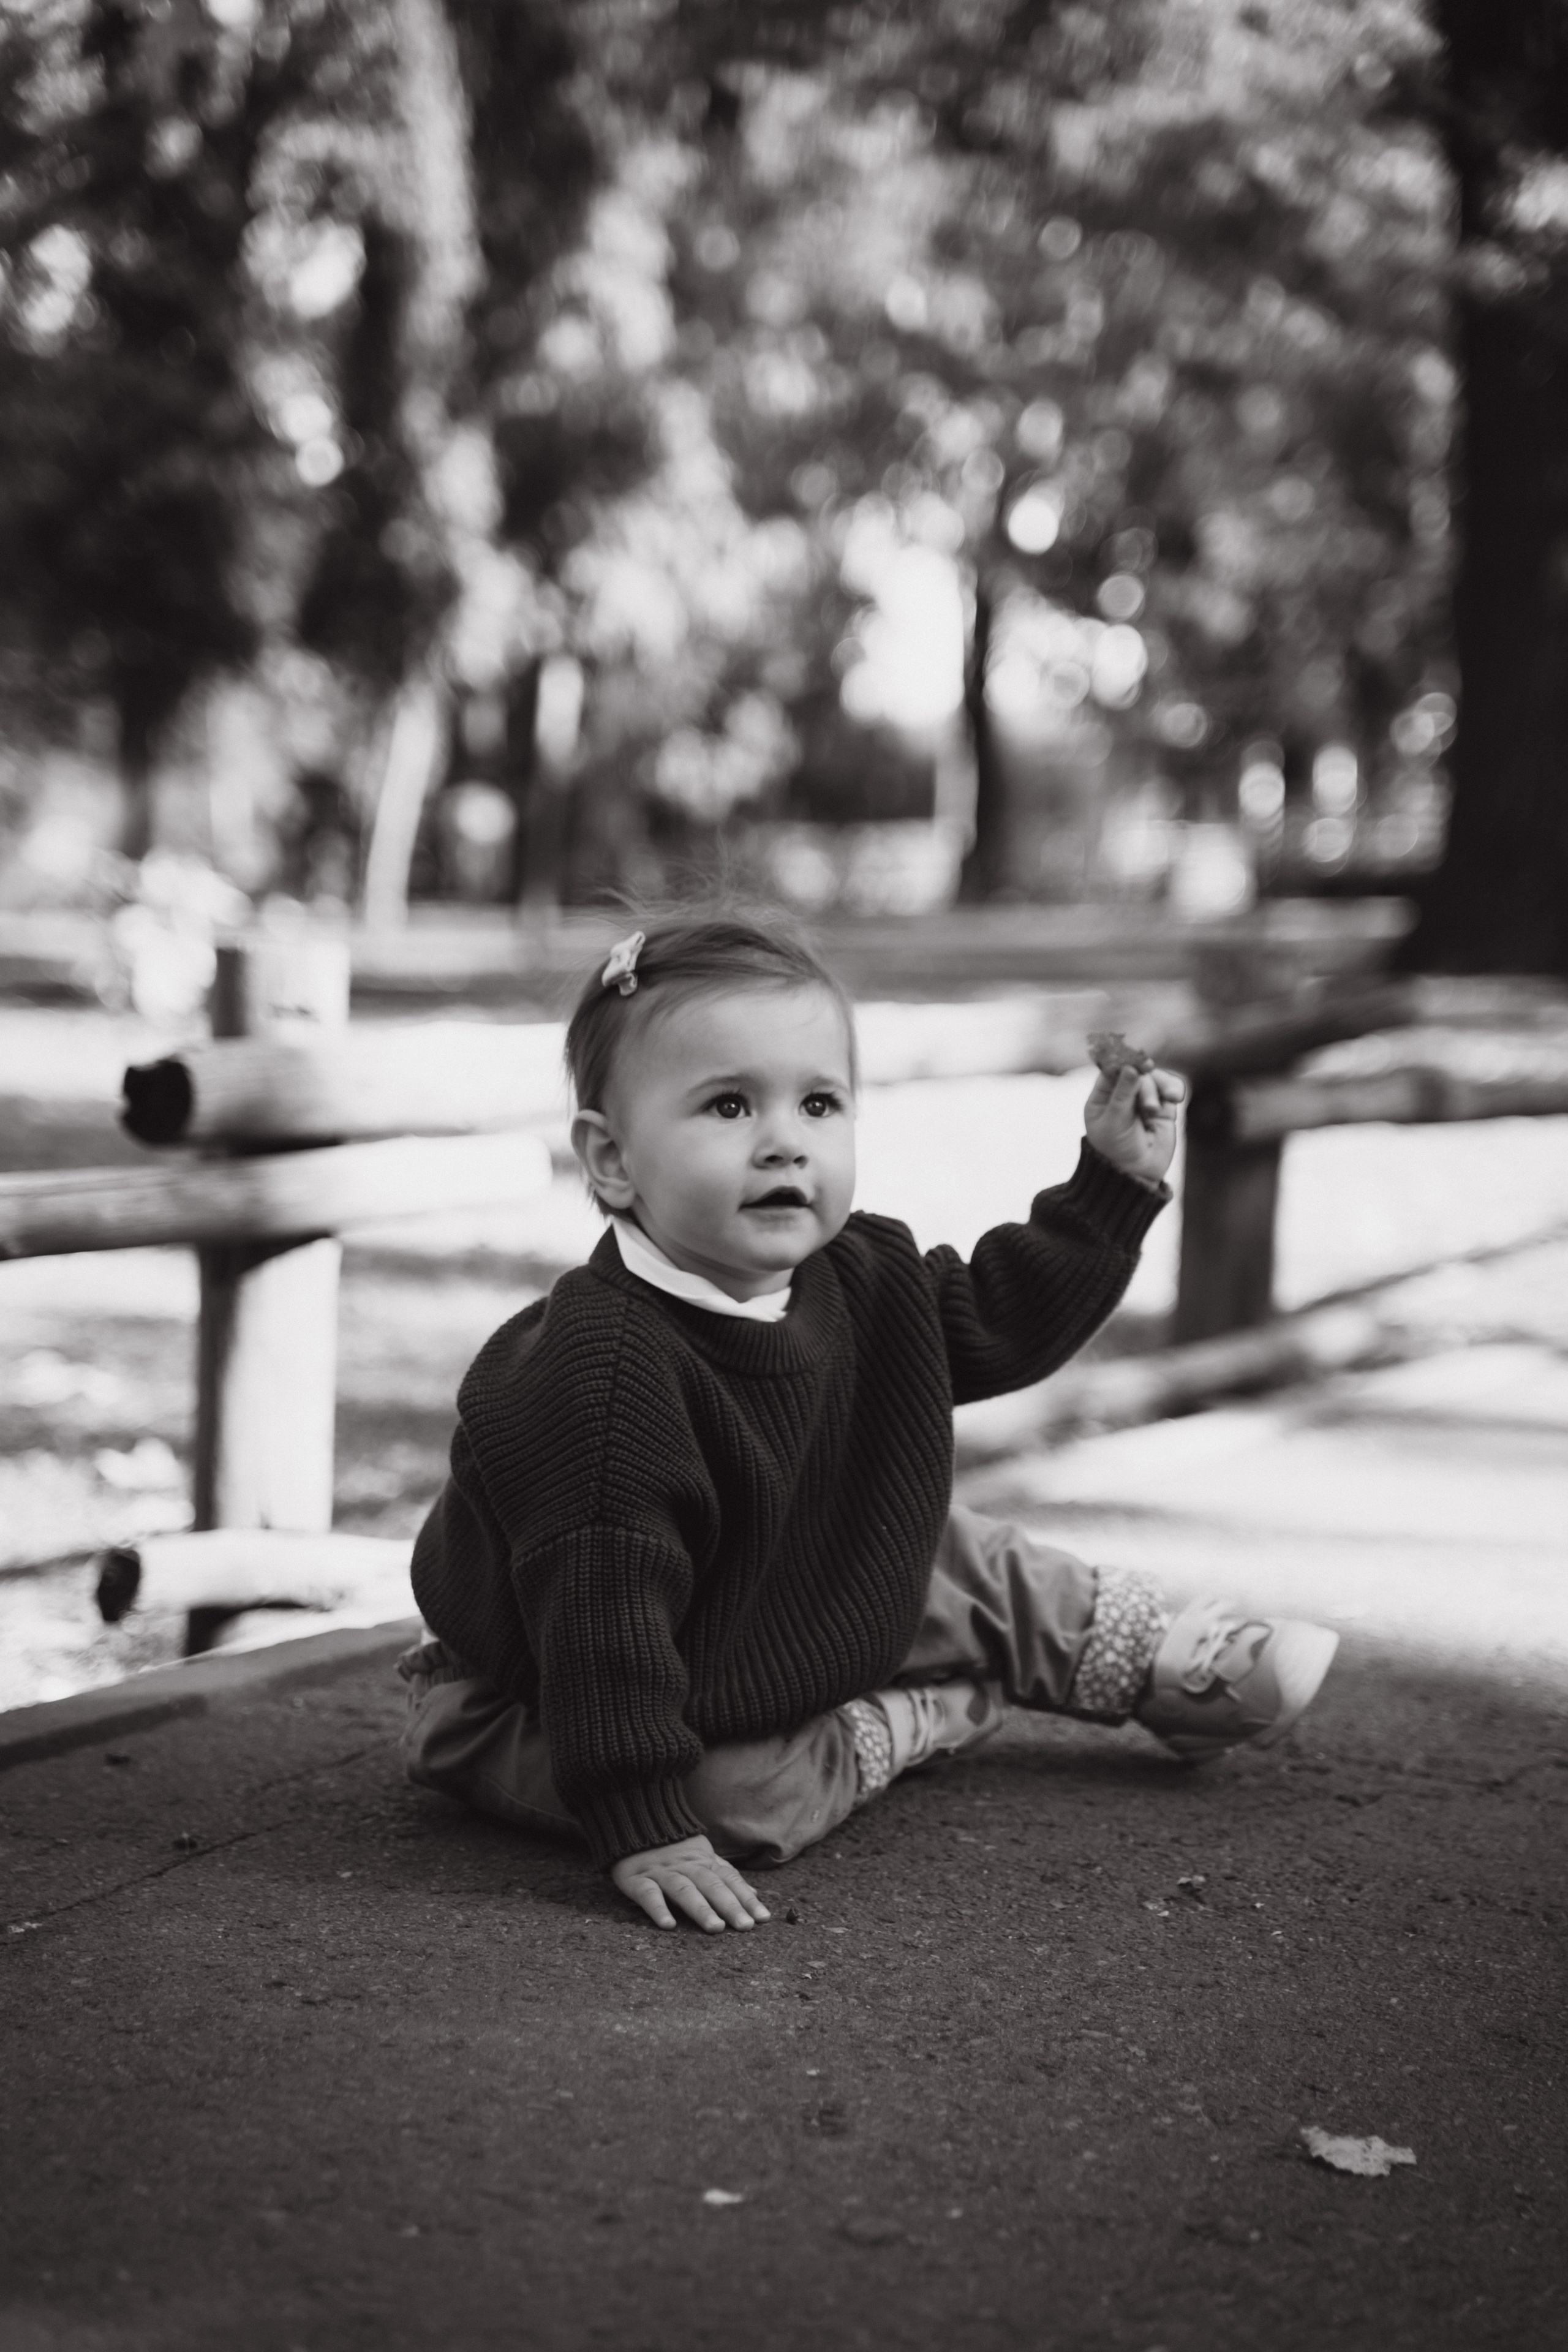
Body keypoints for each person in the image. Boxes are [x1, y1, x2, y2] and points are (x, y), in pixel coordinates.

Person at [400, 910, 1337, 1934]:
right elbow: (602, 1629)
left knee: (949, 1548)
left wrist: (1112, 1186)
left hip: (776, 1593)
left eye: (818, 1103)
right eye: (727, 1105)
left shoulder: (863, 1273)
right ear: (613, 1158)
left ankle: (1152, 1654)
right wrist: (643, 1824)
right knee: (723, 1801)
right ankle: (917, 1716)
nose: (784, 1141)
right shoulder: (603, 1382)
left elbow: (999, 1322)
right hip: (548, 1686)